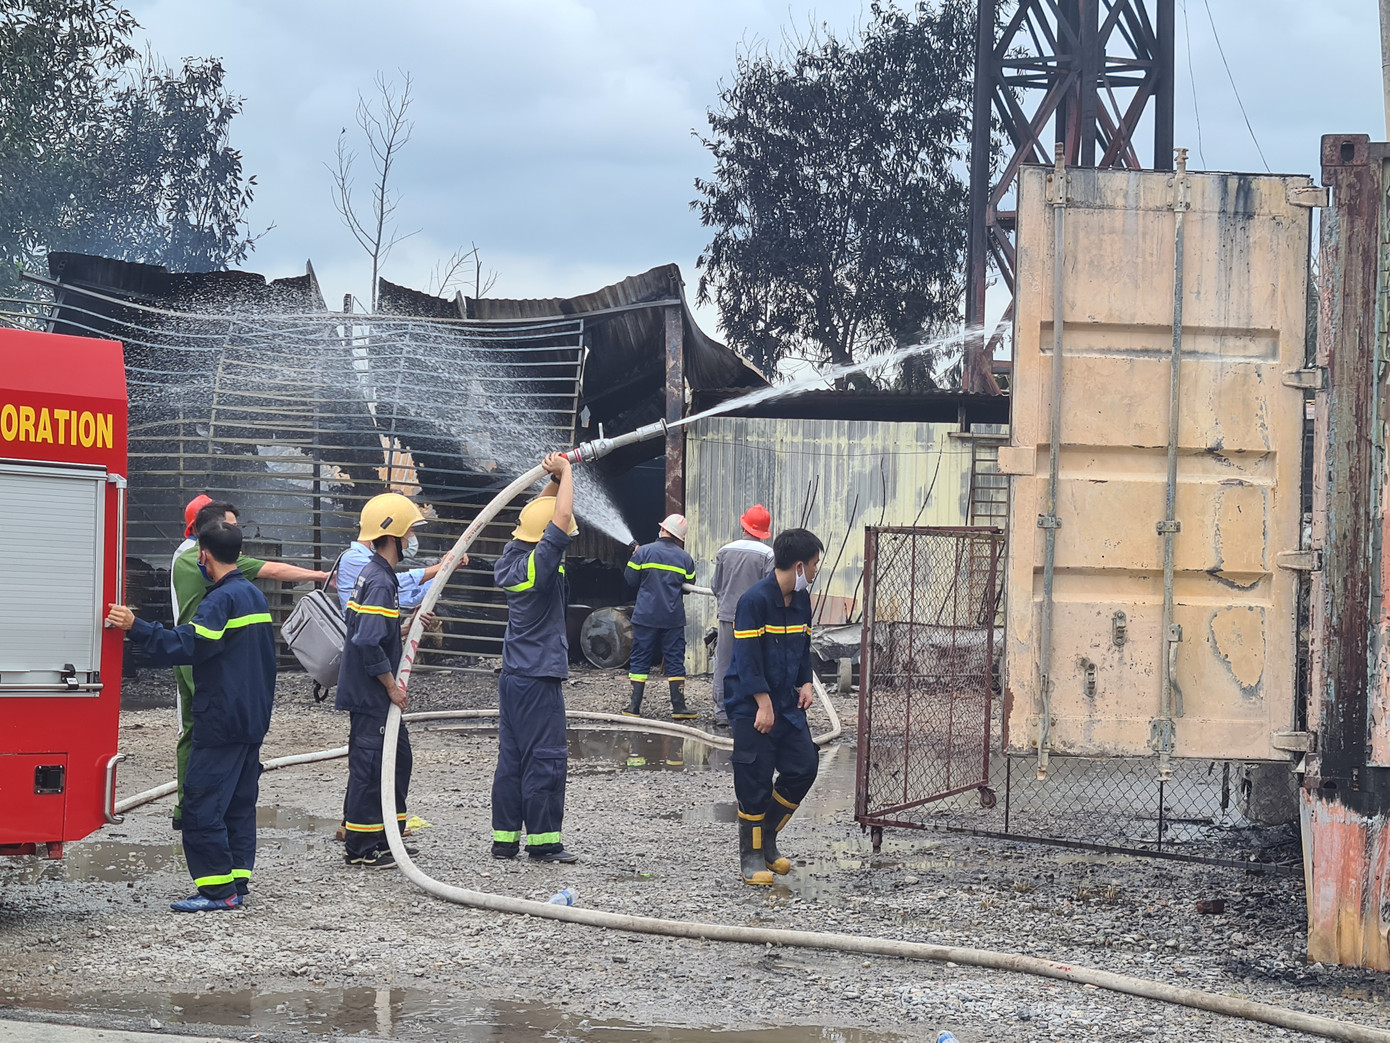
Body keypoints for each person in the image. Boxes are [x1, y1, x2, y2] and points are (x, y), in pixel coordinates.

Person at [106, 520, 277, 912]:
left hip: (221, 718)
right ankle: (236, 879)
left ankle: (218, 891)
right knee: (237, 802)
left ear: (203, 555)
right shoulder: (253, 595)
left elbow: (189, 643)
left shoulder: (220, 600)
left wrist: (137, 627)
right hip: (252, 718)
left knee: (201, 802)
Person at [168, 497, 328, 830]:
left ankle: (187, 806)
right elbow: (274, 570)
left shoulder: (180, 557)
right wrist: (322, 575)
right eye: (230, 527)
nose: (235, 534)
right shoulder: (211, 563)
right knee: (214, 729)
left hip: (186, 652)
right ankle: (207, 803)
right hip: (205, 652)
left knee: (191, 730)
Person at [491, 453, 580, 863]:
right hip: (538, 677)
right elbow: (558, 521)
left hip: (513, 676)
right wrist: (571, 473)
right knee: (545, 758)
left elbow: (540, 518)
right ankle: (544, 843)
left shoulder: (511, 558)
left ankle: (505, 840)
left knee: (512, 759)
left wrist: (553, 475)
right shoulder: (541, 564)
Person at [723, 527, 824, 886]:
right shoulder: (754, 601)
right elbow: (747, 660)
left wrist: (807, 681)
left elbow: (801, 648)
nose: (814, 572)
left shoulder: (801, 601)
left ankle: (766, 837)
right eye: (813, 565)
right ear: (799, 565)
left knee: (804, 765)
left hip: (786, 702)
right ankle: (750, 857)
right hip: (751, 703)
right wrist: (762, 704)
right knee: (755, 777)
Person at [335, 492, 431, 869]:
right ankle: (362, 846)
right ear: (391, 536)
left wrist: (405, 627)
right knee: (371, 766)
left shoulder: (377, 576)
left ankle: (385, 834)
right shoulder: (379, 581)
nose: (410, 540)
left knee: (396, 759)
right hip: (371, 693)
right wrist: (392, 685)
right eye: (407, 534)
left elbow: (372, 628)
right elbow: (366, 640)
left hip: (371, 692)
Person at [623, 514, 697, 720]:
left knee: (640, 659)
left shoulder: (643, 552)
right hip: (672, 618)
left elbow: (630, 580)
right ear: (679, 537)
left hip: (646, 616)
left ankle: (634, 707)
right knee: (674, 660)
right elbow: (689, 586)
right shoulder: (685, 558)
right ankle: (679, 708)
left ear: (662, 529)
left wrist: (634, 556)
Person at [709, 504, 775, 727]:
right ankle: (751, 709)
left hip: (728, 615)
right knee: (755, 662)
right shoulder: (768, 555)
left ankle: (722, 713)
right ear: (764, 531)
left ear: (744, 525)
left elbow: (715, 586)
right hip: (756, 620)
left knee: (724, 663)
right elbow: (770, 589)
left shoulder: (724, 551)